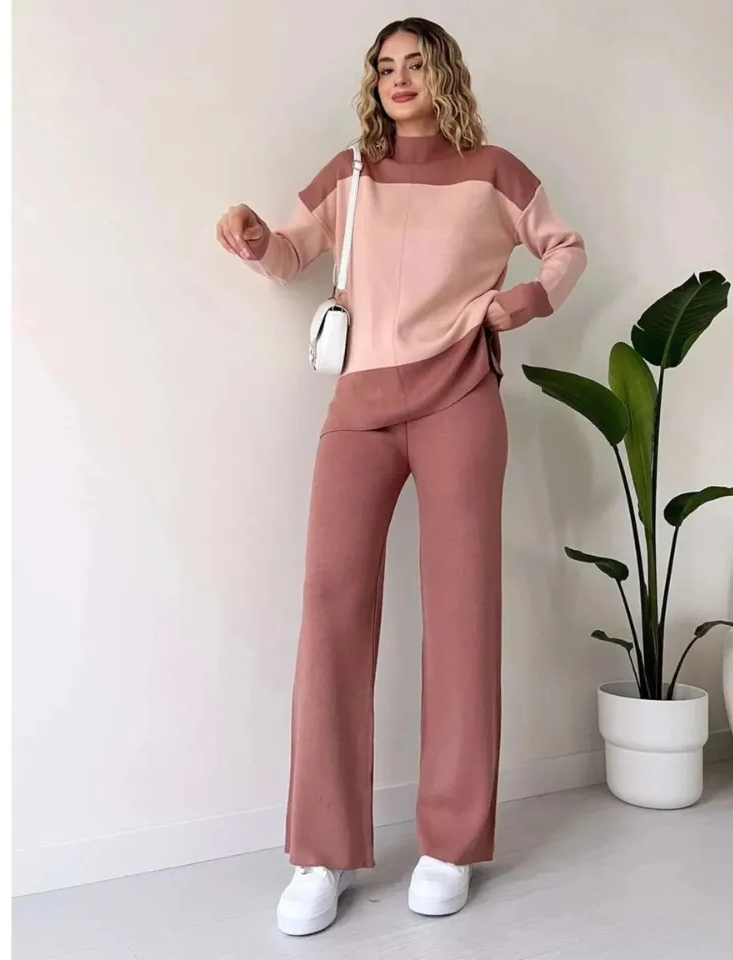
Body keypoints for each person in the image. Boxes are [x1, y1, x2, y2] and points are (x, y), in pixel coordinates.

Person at [216, 16, 586, 937]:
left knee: (462, 610)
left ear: (444, 73)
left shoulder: (495, 170)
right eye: (386, 66)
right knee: (331, 601)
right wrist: (255, 238)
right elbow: (292, 252)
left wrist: (525, 299)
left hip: (462, 397)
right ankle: (320, 853)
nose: (399, 78)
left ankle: (449, 845)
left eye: (415, 63)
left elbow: (566, 246)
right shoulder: (350, 174)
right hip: (361, 405)